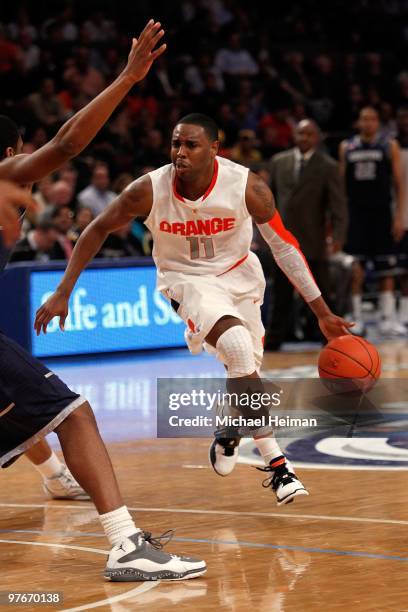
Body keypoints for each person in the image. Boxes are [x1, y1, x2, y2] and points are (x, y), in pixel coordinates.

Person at [36, 113, 353, 507]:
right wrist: (64, 289)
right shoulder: (149, 189)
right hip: (186, 281)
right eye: (175, 144)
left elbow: (285, 246)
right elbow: (98, 227)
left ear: (215, 149)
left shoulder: (247, 186)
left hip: (240, 278)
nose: (180, 152)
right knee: (236, 348)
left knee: (247, 370)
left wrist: (321, 310)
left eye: (191, 145)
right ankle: (278, 465)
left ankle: (229, 428)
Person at [0, 22, 206, 582]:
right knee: (73, 410)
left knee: (33, 404)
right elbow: (67, 144)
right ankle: (125, 544)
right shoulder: (2, 174)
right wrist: (127, 77)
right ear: (12, 151)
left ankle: (56, 479)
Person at [265, 119, 348, 349]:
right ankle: (273, 341)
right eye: (301, 134)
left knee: (320, 293)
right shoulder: (279, 162)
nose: (304, 138)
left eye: (309, 134)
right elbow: (267, 201)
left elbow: (338, 206)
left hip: (313, 240)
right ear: (294, 136)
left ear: (317, 137)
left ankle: (331, 339)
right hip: (281, 240)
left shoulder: (328, 165)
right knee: (280, 295)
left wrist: (338, 236)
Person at [339, 106, 406, 336]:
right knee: (355, 267)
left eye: (372, 119)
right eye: (364, 119)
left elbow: (398, 184)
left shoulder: (389, 145)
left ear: (378, 123)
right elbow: (340, 188)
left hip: (382, 213)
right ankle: (356, 317)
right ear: (358, 122)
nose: (367, 123)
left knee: (387, 268)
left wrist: (399, 217)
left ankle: (387, 317)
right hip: (356, 214)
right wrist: (341, 221)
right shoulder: (347, 147)